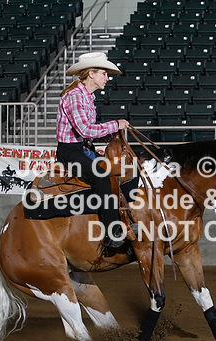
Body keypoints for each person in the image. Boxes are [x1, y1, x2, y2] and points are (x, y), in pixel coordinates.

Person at [56, 52, 130, 250]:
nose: (107, 78)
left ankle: (126, 218)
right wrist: (115, 125)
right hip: (69, 151)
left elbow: (87, 132)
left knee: (117, 171)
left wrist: (106, 135)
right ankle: (113, 232)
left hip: (82, 148)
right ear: (91, 74)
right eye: (104, 74)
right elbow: (85, 130)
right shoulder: (74, 96)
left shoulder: (88, 96)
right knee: (101, 177)